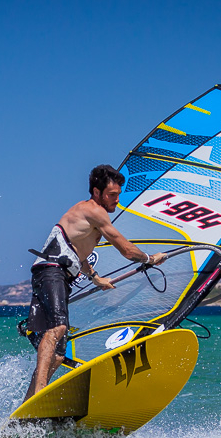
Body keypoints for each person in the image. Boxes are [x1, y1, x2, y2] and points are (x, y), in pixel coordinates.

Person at [23, 164, 167, 401]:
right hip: (51, 271)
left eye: (118, 194)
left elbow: (76, 254)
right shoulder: (93, 211)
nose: (117, 200)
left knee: (58, 354)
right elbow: (126, 250)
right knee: (57, 328)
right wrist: (150, 259)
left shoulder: (88, 217)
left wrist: (94, 277)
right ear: (97, 192)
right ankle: (40, 392)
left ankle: (28, 403)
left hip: (55, 273)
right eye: (112, 195)